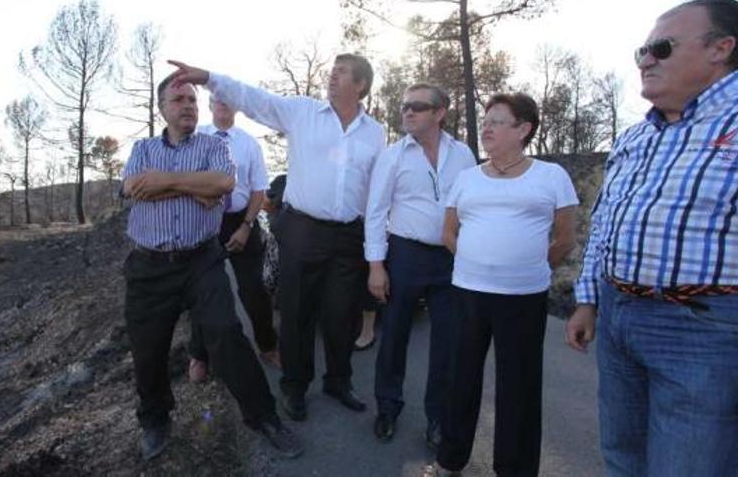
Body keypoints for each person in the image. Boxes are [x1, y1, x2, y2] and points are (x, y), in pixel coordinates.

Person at [566, 0, 738, 477]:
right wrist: (588, 301)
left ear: (721, 48)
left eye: (661, 48)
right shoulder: (634, 137)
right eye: (641, 50)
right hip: (619, 317)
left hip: (704, 330)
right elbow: (603, 224)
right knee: (622, 459)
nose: (645, 60)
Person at [168, 54, 386, 421]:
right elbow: (254, 98)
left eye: (342, 72)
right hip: (302, 231)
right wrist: (208, 77)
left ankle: (338, 381)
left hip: (349, 237)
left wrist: (375, 254)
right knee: (297, 314)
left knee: (341, 316)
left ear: (361, 85)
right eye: (331, 71)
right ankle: (295, 387)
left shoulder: (374, 133)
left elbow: (377, 198)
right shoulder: (302, 112)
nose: (332, 76)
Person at [120, 73, 302, 461]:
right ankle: (155, 418)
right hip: (149, 267)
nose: (188, 104)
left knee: (227, 334)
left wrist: (165, 183)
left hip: (201, 260)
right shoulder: (141, 149)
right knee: (148, 349)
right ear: (162, 108)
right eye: (178, 99)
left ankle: (264, 417)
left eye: (191, 99)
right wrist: (192, 186)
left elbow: (222, 183)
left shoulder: (213, 146)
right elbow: (133, 187)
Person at [428, 93, 578, 477]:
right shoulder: (467, 178)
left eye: (498, 121)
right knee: (460, 378)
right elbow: (448, 232)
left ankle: (514, 470)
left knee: (520, 387)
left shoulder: (551, 176)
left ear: (523, 129)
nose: (488, 127)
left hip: (523, 298)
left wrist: (524, 265)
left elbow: (564, 238)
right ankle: (450, 461)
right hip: (467, 293)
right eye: (487, 120)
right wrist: (478, 262)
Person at [364, 83, 476, 446]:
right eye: (404, 107)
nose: (407, 112)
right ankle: (387, 407)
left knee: (448, 342)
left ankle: (438, 418)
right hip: (405, 254)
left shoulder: (463, 155)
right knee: (394, 334)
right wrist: (376, 266)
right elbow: (376, 212)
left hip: (449, 259)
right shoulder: (393, 156)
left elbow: (471, 207)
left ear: (439, 113)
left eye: (417, 107)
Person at [186, 95, 280, 384]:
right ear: (210, 105)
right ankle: (200, 354)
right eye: (217, 100)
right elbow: (183, 178)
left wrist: (246, 225)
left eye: (228, 100)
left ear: (237, 106)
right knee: (203, 290)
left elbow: (258, 189)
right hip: (203, 220)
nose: (223, 104)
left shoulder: (249, 143)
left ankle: (268, 346)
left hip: (241, 221)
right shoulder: (196, 136)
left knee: (254, 289)